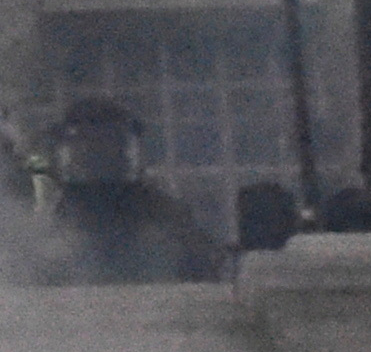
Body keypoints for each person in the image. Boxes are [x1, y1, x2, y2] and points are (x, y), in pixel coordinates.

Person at [22, 99, 224, 286]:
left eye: (107, 144)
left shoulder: (164, 215)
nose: (97, 155)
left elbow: (202, 279)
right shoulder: (53, 221)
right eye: (88, 146)